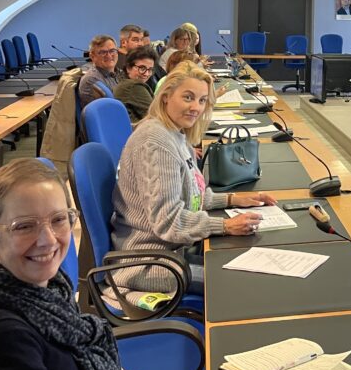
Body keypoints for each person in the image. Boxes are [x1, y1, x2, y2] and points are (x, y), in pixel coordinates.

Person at [0, 158, 139, 370]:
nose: (48, 240)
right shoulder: (1, 337)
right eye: (23, 226)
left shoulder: (50, 290)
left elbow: (109, 368)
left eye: (58, 219)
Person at [111, 62, 276, 294]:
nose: (196, 108)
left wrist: (232, 200)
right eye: (188, 97)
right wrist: (225, 225)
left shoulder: (174, 133)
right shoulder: (155, 142)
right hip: (151, 263)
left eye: (201, 100)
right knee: (242, 284)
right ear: (166, 96)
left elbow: (190, 195)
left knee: (246, 269)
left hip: (172, 252)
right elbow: (168, 220)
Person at [113, 46, 157, 123]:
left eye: (150, 70)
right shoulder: (134, 87)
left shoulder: (123, 81)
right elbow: (157, 116)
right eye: (142, 68)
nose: (146, 74)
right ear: (128, 68)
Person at [77, 35, 120, 108]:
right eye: (103, 52)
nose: (109, 56)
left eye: (112, 51)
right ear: (92, 56)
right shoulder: (91, 80)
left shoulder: (120, 73)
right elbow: (107, 111)